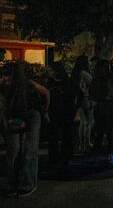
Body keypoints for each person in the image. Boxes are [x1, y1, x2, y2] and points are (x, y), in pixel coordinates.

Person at [1, 61, 50, 198]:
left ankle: (28, 184)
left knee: (29, 149)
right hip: (15, 117)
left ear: (16, 77)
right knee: (13, 151)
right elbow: (5, 107)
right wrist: (9, 121)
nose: (5, 79)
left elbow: (46, 93)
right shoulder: (3, 87)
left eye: (8, 76)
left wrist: (45, 111)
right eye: (3, 76)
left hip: (32, 115)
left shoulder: (28, 84)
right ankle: (13, 183)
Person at [47, 61, 78, 165]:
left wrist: (75, 109)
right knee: (53, 136)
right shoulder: (50, 82)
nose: (49, 72)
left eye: (51, 70)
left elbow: (80, 95)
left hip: (66, 112)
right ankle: (53, 158)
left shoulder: (69, 83)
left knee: (67, 136)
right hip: (53, 112)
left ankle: (67, 157)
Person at [90, 59, 113, 161]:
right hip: (110, 105)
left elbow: (92, 93)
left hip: (100, 105)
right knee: (110, 130)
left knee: (100, 129)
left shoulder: (96, 78)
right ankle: (110, 152)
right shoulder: (111, 77)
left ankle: (98, 150)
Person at [71, 55, 94, 152]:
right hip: (86, 99)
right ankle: (86, 142)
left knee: (80, 122)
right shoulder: (84, 73)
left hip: (78, 99)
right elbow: (93, 84)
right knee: (89, 122)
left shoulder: (74, 73)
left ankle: (79, 143)